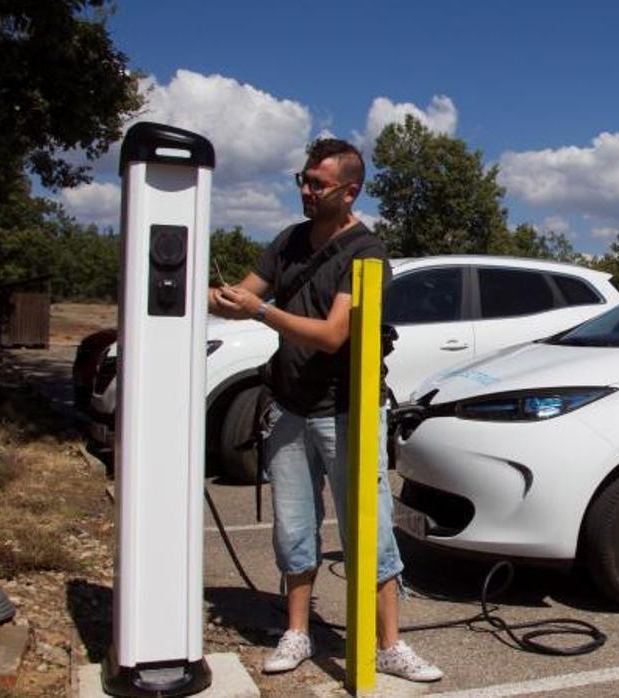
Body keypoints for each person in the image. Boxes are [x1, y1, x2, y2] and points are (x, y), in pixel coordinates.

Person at [209, 138, 442, 682]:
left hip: (347, 412)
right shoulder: (289, 241)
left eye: (318, 184)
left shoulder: (366, 252)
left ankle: (389, 645)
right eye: (304, 180)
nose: (306, 191)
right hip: (289, 408)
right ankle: (297, 633)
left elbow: (335, 335)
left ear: (349, 190)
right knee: (294, 526)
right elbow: (243, 294)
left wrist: (261, 310)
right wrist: (216, 296)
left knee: (371, 529)